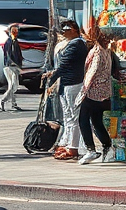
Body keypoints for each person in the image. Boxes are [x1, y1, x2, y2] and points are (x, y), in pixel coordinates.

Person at [46, 19, 88, 161]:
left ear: (74, 30)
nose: (64, 33)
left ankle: (73, 148)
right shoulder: (73, 45)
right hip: (67, 84)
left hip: (73, 85)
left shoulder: (76, 45)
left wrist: (51, 80)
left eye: (67, 30)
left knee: (73, 117)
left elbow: (63, 66)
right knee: (68, 117)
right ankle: (69, 144)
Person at [77, 25, 114, 164]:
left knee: (83, 119)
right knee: (96, 121)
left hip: (94, 91)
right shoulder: (106, 50)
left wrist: (84, 90)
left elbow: (92, 72)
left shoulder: (97, 51)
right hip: (103, 91)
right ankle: (107, 146)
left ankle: (90, 149)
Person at [0, 24, 24, 113]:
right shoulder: (10, 42)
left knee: (12, 85)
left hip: (12, 66)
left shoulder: (14, 41)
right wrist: (14, 64)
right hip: (10, 67)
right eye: (14, 31)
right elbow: (9, 55)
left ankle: (13, 104)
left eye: (16, 31)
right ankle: (3, 100)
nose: (15, 33)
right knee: (13, 86)